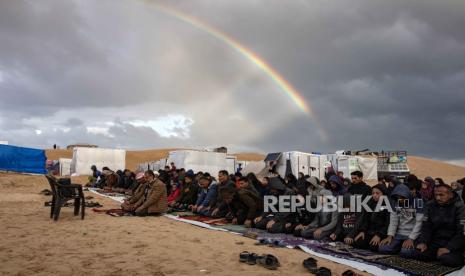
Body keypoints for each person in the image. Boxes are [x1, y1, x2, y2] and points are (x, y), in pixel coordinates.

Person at [414, 184, 465, 267]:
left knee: (448, 259)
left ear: (450, 195)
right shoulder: (430, 205)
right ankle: (437, 255)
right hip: (435, 242)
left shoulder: (460, 207)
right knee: (412, 252)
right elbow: (426, 227)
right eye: (436, 195)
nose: (438, 198)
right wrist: (423, 242)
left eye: (441, 195)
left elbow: (461, 232)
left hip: (452, 243)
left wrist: (449, 248)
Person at [378, 183, 423, 257]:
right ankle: (399, 246)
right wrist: (390, 236)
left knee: (406, 252)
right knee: (383, 248)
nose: (400, 200)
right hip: (399, 233)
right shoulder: (395, 203)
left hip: (412, 234)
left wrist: (411, 239)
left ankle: (402, 247)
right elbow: (393, 221)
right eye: (398, 198)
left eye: (402, 197)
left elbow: (419, 223)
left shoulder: (418, 202)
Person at [352, 184, 390, 251]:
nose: (374, 195)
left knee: (373, 247)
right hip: (370, 232)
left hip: (381, 233)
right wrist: (362, 231)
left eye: (377, 193)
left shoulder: (387, 205)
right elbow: (366, 219)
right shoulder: (370, 203)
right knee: (357, 243)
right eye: (373, 193)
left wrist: (379, 235)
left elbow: (388, 223)